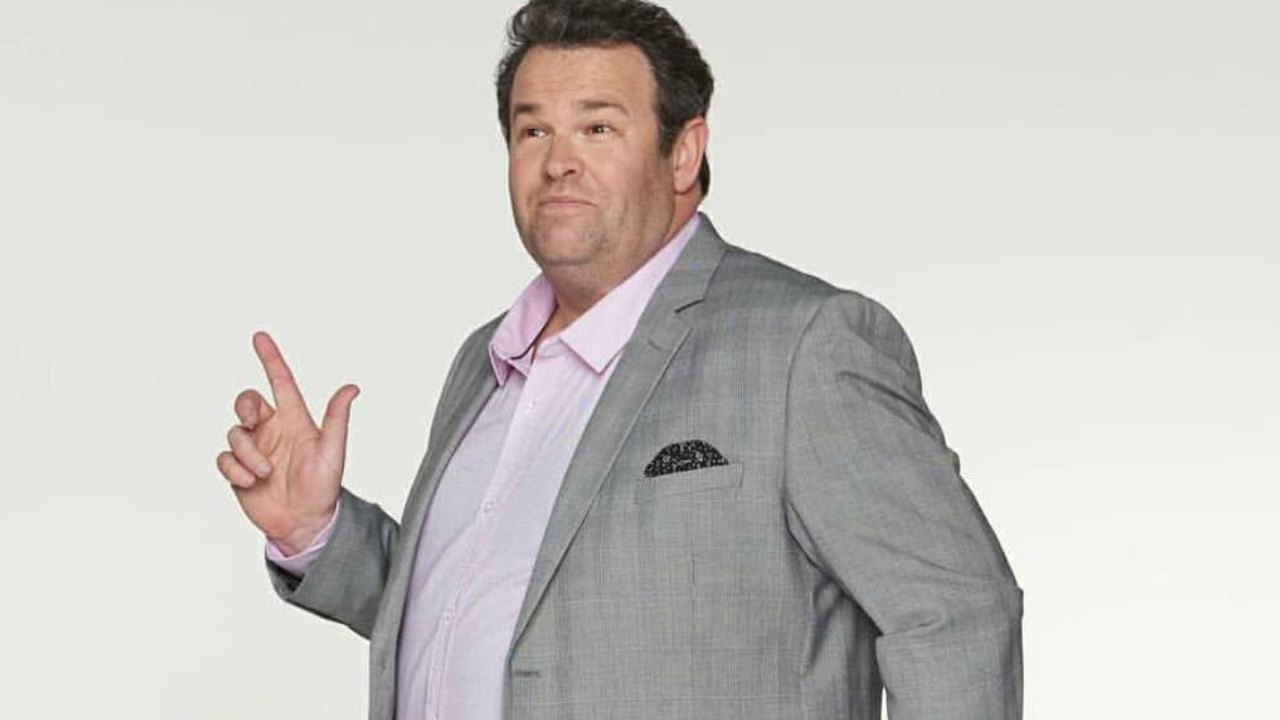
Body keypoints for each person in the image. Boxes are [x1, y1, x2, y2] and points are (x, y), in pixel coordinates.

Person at [216, 1, 1023, 718]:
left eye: (597, 128)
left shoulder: (803, 345)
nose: (558, 161)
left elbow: (955, 615)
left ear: (684, 152)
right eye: (533, 130)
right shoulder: (485, 361)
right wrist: (317, 531)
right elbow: (487, 620)